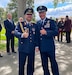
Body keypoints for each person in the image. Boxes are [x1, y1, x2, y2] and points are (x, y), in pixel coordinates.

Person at [14, 8, 38, 75]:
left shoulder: (34, 25)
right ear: (25, 15)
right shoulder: (20, 24)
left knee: (31, 66)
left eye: (31, 14)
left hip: (31, 49)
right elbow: (15, 32)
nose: (29, 16)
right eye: (28, 14)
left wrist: (36, 45)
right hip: (22, 49)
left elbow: (36, 37)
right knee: (21, 66)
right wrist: (22, 35)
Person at [37, 6, 59, 75]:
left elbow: (56, 32)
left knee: (53, 63)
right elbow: (37, 36)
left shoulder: (51, 21)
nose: (41, 14)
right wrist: (37, 46)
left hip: (50, 47)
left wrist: (46, 32)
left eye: (42, 12)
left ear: (45, 13)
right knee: (44, 65)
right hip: (42, 48)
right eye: (40, 13)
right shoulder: (38, 23)